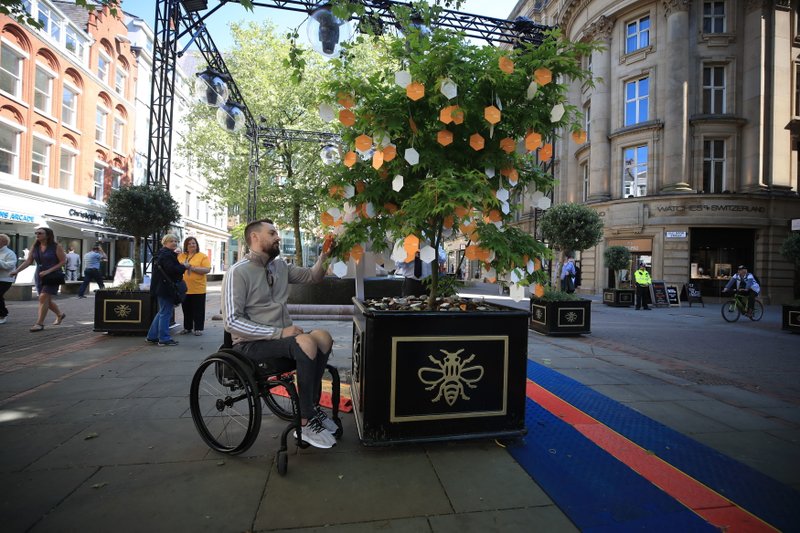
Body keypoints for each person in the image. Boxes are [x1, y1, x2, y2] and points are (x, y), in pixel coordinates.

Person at [222, 218, 339, 449]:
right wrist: (281, 332)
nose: (277, 237)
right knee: (305, 341)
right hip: (250, 345)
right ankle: (305, 422)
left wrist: (325, 255)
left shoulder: (280, 267)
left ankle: (312, 409)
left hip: (282, 341)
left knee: (323, 337)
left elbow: (313, 277)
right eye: (272, 233)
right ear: (255, 237)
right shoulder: (238, 272)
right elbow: (231, 321)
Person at [8, 227, 66, 332]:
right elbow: (28, 261)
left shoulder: (56, 246)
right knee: (46, 300)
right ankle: (60, 314)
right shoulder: (35, 246)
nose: (37, 235)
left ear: (48, 235)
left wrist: (48, 271)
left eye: (40, 233)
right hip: (39, 275)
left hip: (52, 275)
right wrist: (16, 271)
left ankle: (39, 324)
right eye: (36, 233)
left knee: (43, 297)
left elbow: (63, 261)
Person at [146, 234, 186, 346]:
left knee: (162, 312)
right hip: (165, 288)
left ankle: (152, 336)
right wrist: (184, 267)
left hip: (161, 287)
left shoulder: (163, 253)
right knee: (165, 313)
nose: (174, 243)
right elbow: (171, 269)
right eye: (171, 241)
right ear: (165, 243)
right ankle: (164, 338)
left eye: (175, 241)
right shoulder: (167, 255)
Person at [177, 236, 211, 336]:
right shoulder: (181, 256)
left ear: (197, 245)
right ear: (186, 246)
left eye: (194, 243)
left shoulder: (202, 256)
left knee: (198, 310)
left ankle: (198, 328)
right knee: (186, 309)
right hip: (184, 288)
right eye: (190, 243)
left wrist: (191, 267)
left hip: (198, 288)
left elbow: (207, 270)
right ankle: (187, 328)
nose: (192, 245)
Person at [0, 233, 18, 325]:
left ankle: (3, 314)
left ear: (4, 242)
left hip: (5, 279)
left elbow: (10, 265)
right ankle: (3, 312)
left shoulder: (10, 253)